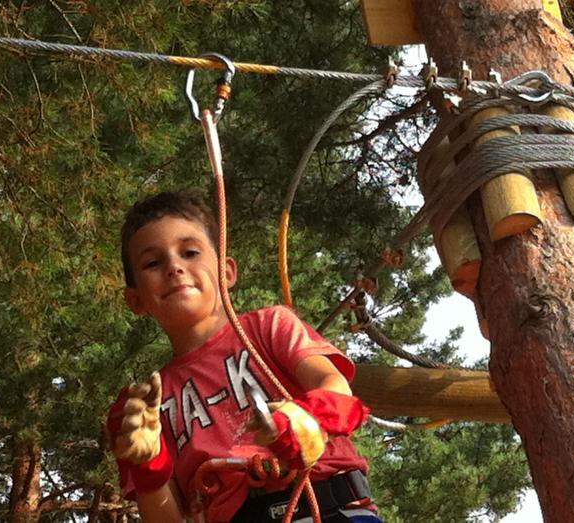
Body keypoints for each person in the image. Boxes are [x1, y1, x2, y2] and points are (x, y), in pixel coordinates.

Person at [106, 191, 383, 522]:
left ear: (226, 271)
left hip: (331, 507)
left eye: (190, 252)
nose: (174, 267)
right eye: (153, 263)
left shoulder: (270, 327)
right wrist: (149, 466)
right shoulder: (146, 405)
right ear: (136, 300)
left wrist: (312, 420)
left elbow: (335, 386)